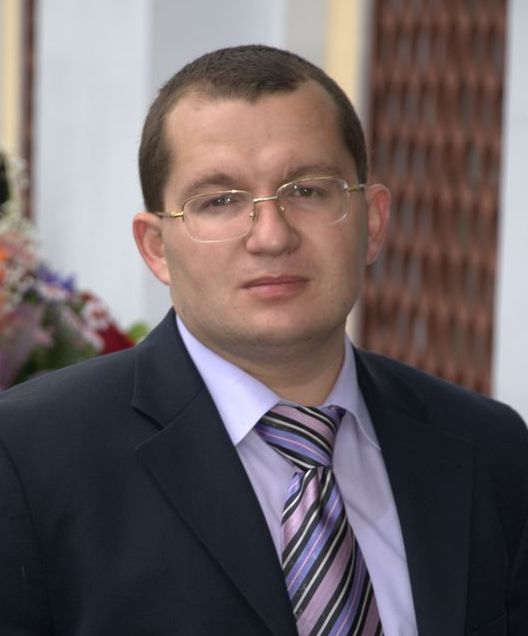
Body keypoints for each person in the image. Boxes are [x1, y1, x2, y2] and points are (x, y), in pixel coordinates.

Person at [0, 44, 527, 636]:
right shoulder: (26, 459)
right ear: (156, 247)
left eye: (307, 190)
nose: (271, 236)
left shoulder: (490, 449)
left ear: (373, 222)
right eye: (220, 201)